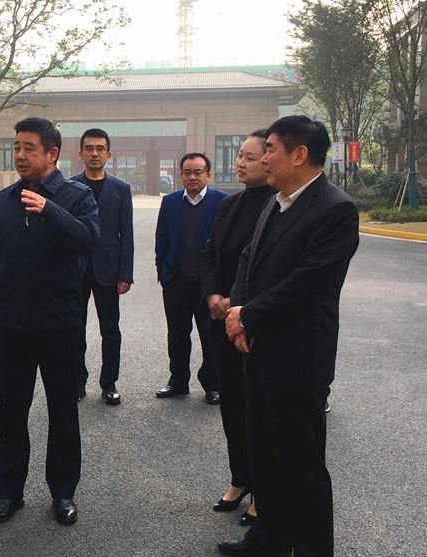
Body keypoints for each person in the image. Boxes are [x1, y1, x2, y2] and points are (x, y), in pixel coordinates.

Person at [218, 116, 359, 557]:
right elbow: (249, 259)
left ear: (299, 155)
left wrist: (249, 316)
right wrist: (239, 312)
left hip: (298, 359)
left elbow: (310, 282)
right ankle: (268, 541)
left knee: (302, 466)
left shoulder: (335, 209)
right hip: (258, 350)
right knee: (265, 456)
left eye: (271, 149)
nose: (264, 158)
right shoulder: (277, 201)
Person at [0, 117, 99, 525]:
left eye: (29, 148)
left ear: (52, 153)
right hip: (14, 325)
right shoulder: (4, 201)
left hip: (60, 324)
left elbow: (88, 241)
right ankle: (9, 492)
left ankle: (63, 492)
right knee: (11, 412)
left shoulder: (77, 196)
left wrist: (51, 210)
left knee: (63, 412)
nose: (20, 155)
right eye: (17, 147)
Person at [201, 130, 275, 526]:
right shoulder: (230, 204)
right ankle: (240, 478)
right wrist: (213, 293)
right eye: (239, 156)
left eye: (249, 156)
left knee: (258, 410)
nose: (240, 163)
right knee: (231, 402)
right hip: (222, 319)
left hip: (254, 323)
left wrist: (238, 304)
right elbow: (210, 252)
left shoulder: (278, 206)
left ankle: (264, 489)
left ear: (270, 159)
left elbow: (269, 269)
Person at [154, 153, 227, 404]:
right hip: (176, 281)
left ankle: (213, 384)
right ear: (180, 175)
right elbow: (162, 239)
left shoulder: (222, 202)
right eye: (187, 172)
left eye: (198, 172)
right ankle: (178, 381)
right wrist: (163, 271)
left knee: (210, 336)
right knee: (177, 334)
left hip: (208, 285)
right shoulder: (170, 201)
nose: (192, 177)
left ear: (208, 175)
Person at [70, 128, 134, 405]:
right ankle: (76, 381)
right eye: (89, 148)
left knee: (110, 330)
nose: (94, 153)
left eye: (99, 149)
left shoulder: (121, 189)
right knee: (74, 329)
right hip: (76, 270)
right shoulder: (70, 187)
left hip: (108, 270)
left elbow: (126, 234)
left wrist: (126, 274)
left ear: (108, 154)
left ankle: (109, 383)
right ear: (81, 153)